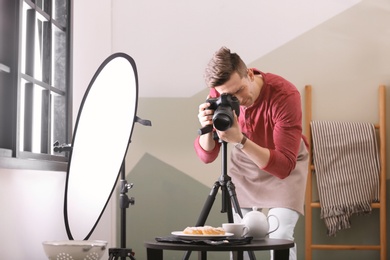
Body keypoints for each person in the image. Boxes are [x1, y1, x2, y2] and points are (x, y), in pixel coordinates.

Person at [194, 46, 309, 260]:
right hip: (244, 166)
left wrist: (240, 140)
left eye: (239, 91)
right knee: (239, 237)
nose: (236, 99)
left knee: (280, 234)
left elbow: (283, 166)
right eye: (228, 95)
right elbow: (207, 156)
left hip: (284, 165)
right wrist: (205, 128)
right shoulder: (220, 93)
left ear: (249, 74)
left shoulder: (284, 95)